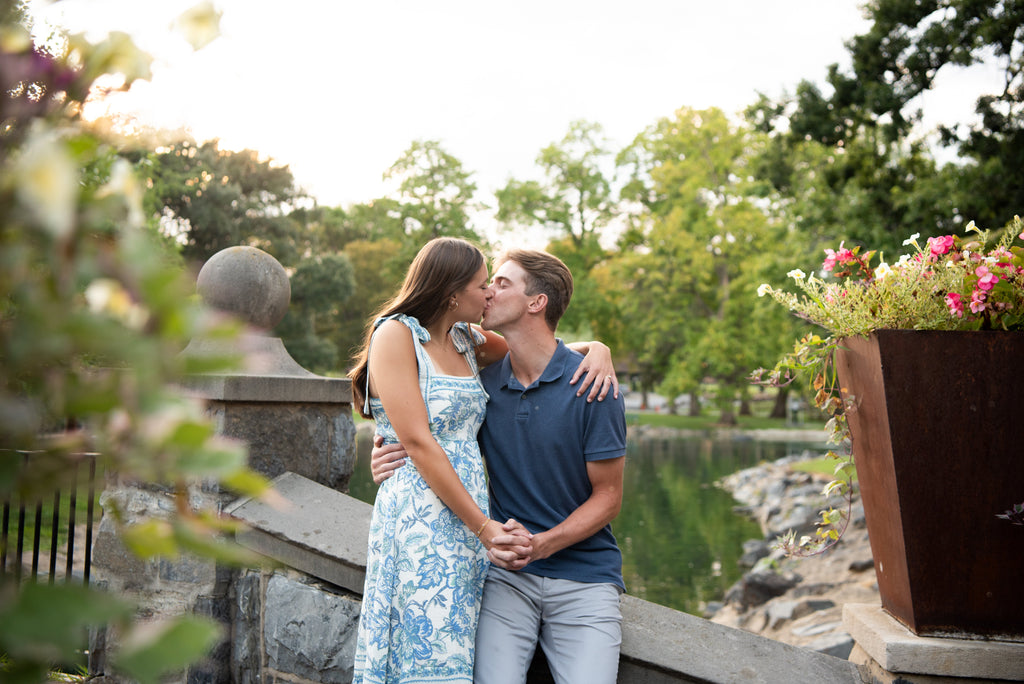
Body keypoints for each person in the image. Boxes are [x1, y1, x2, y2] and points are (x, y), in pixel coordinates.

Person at [349, 237, 617, 684]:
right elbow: (416, 441)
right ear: (453, 291)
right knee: (422, 654)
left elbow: (536, 346)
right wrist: (484, 526)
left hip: (474, 532)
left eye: (496, 283)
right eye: (481, 284)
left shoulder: (467, 340)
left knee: (455, 661)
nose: (488, 293)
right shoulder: (394, 333)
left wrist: (597, 349)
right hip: (427, 520)